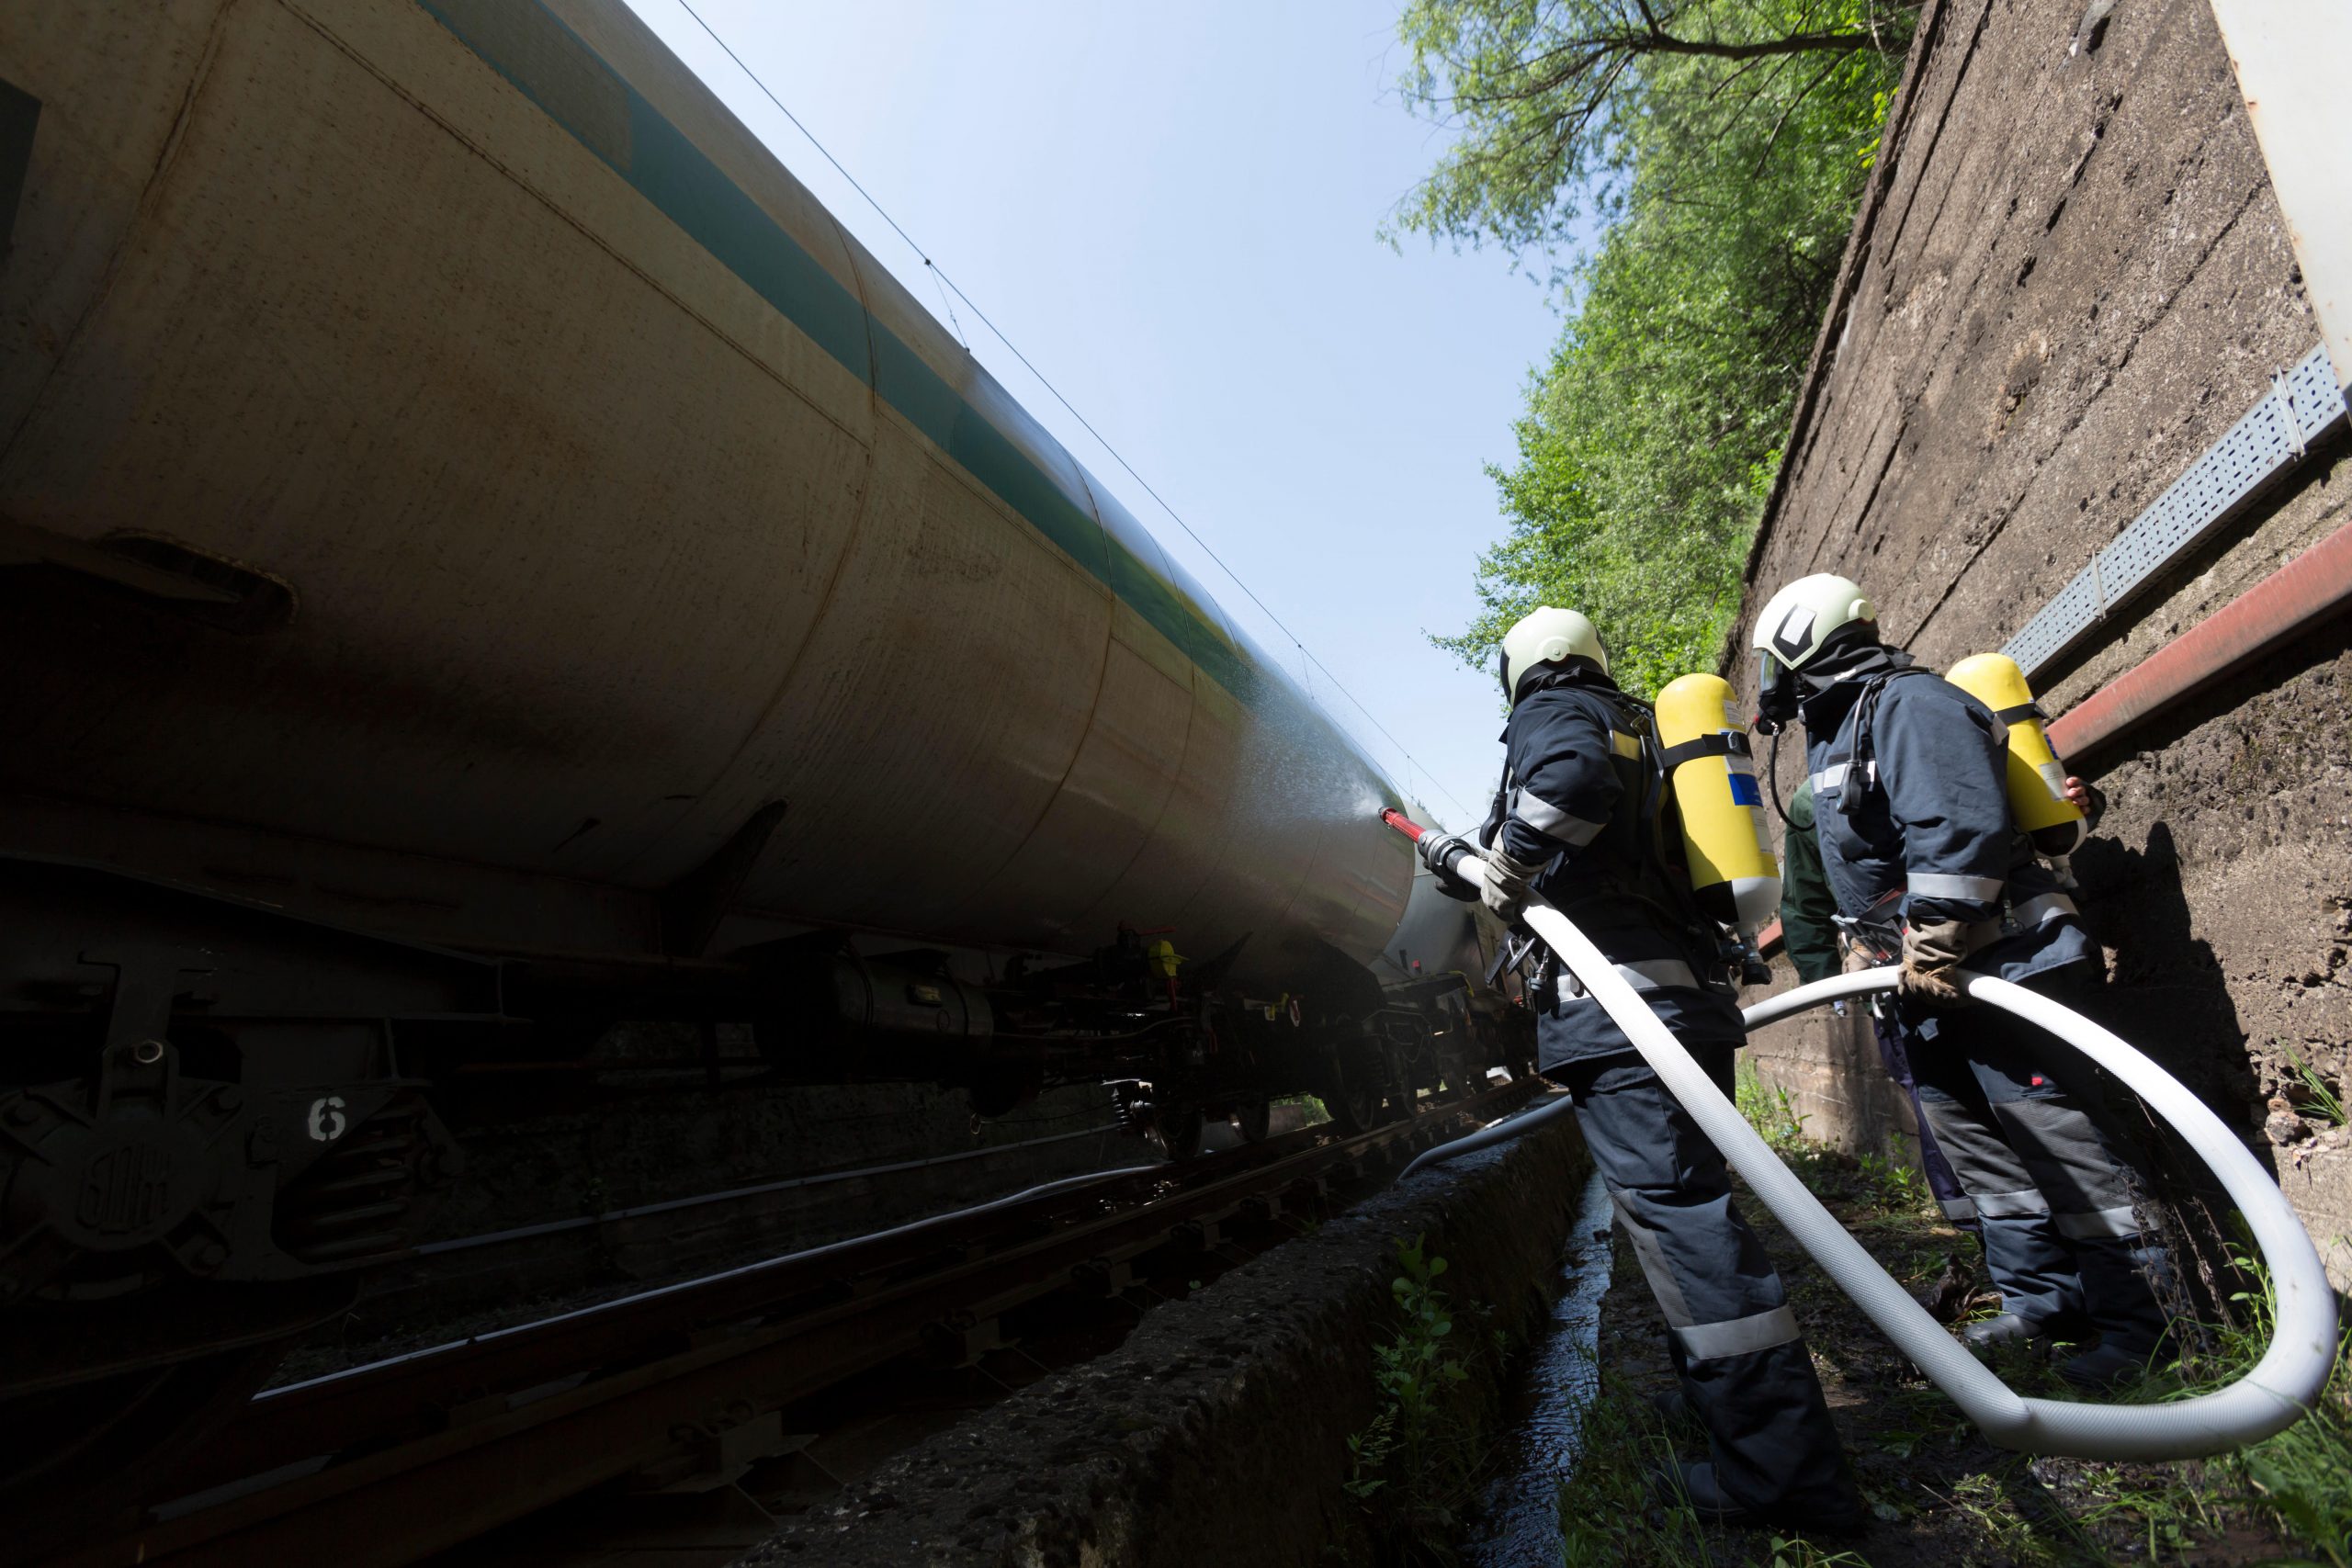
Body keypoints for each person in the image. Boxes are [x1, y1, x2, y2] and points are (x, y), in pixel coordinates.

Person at [1456, 605, 1861, 1529]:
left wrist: (1507, 861)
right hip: (1681, 1006)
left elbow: (1569, 780)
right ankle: (1732, 1422)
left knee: (1685, 1229)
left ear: (1521, 670)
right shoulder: (1641, 723)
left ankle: (1781, 1479)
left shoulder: (1554, 712)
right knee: (1693, 1213)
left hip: (1622, 1017)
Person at [1751, 573, 2172, 1387]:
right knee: (1986, 1154)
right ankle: (2042, 1303)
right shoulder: (1839, 734)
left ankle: (2143, 1325)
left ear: (1801, 646)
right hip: (1925, 981)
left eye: (1772, 667)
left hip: (2003, 962)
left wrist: (1936, 944)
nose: (1771, 690)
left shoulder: (1908, 704)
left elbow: (1956, 827)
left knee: (2060, 1141)